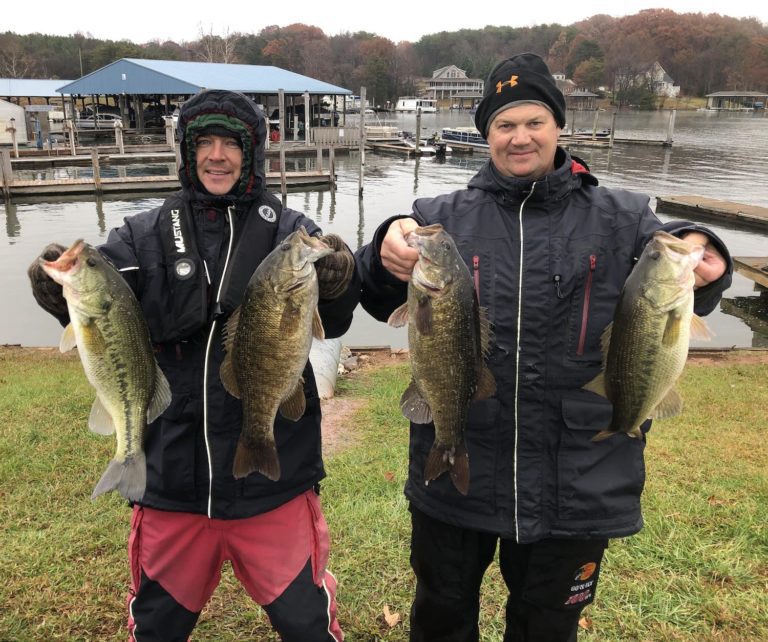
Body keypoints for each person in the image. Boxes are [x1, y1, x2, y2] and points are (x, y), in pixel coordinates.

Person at [355, 53, 732, 642]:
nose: (520, 136)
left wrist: (706, 249)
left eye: (534, 121)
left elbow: (689, 273)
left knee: (547, 627)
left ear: (559, 126)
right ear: (487, 136)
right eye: (504, 125)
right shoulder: (438, 218)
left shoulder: (626, 218)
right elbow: (376, 291)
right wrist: (385, 244)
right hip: (459, 476)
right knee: (441, 615)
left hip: (578, 479)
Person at [28, 89, 359, 642]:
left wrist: (341, 273)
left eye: (232, 143)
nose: (217, 156)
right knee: (157, 626)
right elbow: (96, 300)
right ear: (185, 152)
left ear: (253, 153)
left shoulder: (291, 234)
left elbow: (341, 315)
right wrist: (51, 283)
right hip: (173, 479)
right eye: (203, 142)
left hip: (275, 486)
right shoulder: (141, 234)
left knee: (307, 626)